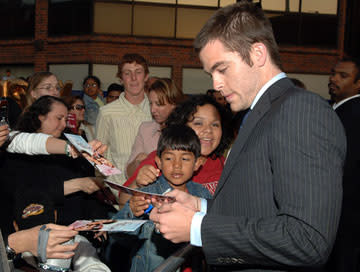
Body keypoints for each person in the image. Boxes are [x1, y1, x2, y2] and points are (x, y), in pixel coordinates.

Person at [150, 2, 346, 271]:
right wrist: (202, 207)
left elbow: (308, 239)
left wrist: (198, 227)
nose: (216, 84)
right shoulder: (261, 113)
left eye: (222, 69)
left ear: (257, 54)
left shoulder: (300, 111)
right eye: (212, 74)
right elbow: (259, 207)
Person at [1, 96, 112, 233]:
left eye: (66, 119)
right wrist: (76, 184)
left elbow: (91, 193)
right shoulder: (18, 155)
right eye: (59, 118)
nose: (64, 124)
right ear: (40, 117)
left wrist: (97, 221)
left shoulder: (69, 143)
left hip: (80, 231)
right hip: (40, 232)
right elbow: (24, 193)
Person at [112, 125, 212, 272]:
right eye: (169, 158)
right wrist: (132, 212)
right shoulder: (147, 194)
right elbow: (117, 235)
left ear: (197, 163)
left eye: (185, 158)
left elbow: (214, 234)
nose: (176, 165)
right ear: (159, 162)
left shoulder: (202, 196)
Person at [120, 95, 232, 207]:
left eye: (215, 124)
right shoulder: (162, 159)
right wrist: (137, 183)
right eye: (198, 123)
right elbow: (123, 202)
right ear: (182, 126)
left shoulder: (222, 162)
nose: (208, 130)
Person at [95, 53, 152, 187]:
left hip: (152, 190)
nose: (133, 78)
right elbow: (98, 157)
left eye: (138, 72)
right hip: (118, 190)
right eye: (127, 73)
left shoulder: (156, 110)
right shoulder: (107, 113)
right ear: (121, 78)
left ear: (146, 76)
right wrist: (112, 186)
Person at [326, 57, 360, 272]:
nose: (333, 79)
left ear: (358, 84)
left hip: (345, 213)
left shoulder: (353, 115)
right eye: (333, 73)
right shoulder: (336, 111)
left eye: (343, 76)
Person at [125, 78, 185, 178]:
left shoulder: (188, 131)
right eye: (151, 103)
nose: (153, 110)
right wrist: (137, 162)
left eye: (158, 104)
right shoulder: (145, 129)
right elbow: (128, 174)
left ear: (175, 104)